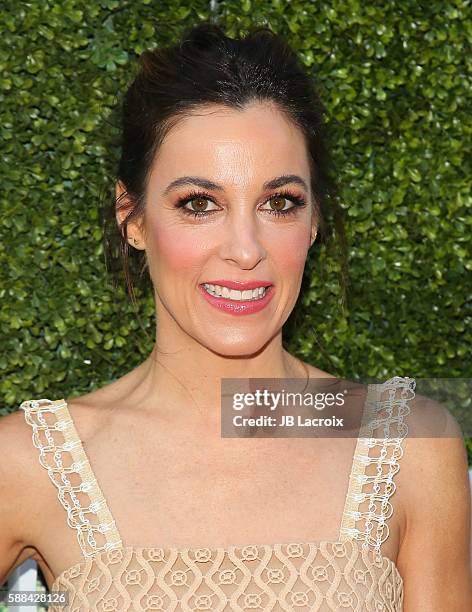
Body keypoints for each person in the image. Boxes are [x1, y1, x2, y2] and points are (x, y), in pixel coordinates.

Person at [1, 21, 471, 611]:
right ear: (134, 217)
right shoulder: (27, 462)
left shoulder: (409, 447)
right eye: (199, 204)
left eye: (280, 203)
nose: (246, 249)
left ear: (314, 219)